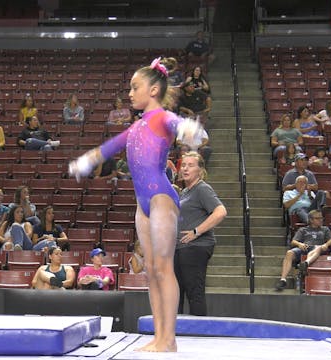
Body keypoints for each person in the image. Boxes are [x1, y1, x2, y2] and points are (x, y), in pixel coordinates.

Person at [68, 57, 203, 352]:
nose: (129, 93)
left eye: (135, 87)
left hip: (161, 197)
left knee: (164, 268)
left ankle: (169, 339)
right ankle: (158, 336)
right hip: (142, 203)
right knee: (151, 268)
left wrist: (190, 130)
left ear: (153, 90)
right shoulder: (137, 125)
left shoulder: (162, 117)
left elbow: (177, 124)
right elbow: (110, 147)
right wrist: (86, 161)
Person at [175, 151, 226, 315]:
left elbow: (220, 212)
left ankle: (198, 334)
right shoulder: (185, 191)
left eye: (190, 165)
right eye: (183, 165)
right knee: (177, 293)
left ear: (200, 170)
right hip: (182, 248)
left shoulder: (202, 188)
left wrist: (196, 232)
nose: (185, 168)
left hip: (196, 247)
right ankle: (177, 331)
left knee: (194, 292)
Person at [274, 210, 331, 291]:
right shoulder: (303, 230)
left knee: (318, 248)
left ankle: (305, 263)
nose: (320, 220)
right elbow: (293, 241)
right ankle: (283, 280)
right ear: (311, 220)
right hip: (305, 247)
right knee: (289, 253)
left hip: (318, 249)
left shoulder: (325, 229)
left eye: (321, 218)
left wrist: (326, 245)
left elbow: (330, 240)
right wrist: (300, 244)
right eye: (317, 218)